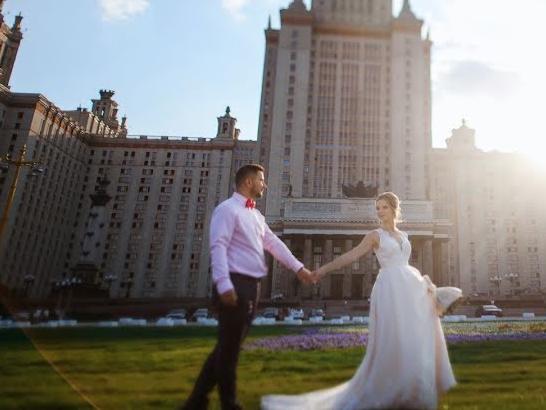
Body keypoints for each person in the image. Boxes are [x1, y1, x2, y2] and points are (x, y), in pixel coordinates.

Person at [261, 192, 458, 410]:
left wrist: (426, 286)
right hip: (389, 288)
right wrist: (322, 270)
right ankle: (390, 389)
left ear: (394, 208)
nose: (380, 211)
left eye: (383, 207)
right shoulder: (375, 235)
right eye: (377, 208)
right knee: (392, 337)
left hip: (410, 286)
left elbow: (405, 263)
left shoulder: (405, 235)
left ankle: (412, 388)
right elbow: (350, 256)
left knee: (412, 336)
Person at [184, 164, 314, 410]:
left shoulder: (255, 215)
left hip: (251, 286)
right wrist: (223, 284)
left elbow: (274, 244)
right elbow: (218, 246)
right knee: (229, 350)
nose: (265, 185)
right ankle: (230, 403)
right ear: (248, 183)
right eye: (261, 180)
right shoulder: (227, 210)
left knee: (228, 346)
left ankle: (196, 401)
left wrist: (299, 268)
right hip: (234, 282)